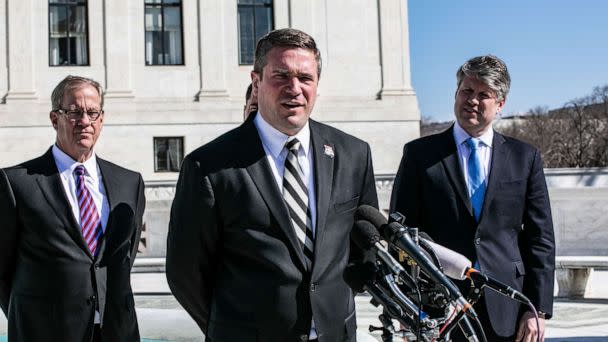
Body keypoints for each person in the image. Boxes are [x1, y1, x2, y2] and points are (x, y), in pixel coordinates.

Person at [167, 28, 378, 342]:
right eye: (281, 75)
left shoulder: (353, 154)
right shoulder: (209, 166)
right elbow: (185, 272)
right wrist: (231, 329)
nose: (294, 88)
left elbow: (366, 245)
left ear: (317, 84)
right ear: (256, 82)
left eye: (305, 78)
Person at [390, 55, 555, 342]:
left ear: (500, 104)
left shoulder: (525, 157)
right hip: (438, 304)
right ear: (455, 94)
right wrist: (407, 307)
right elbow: (400, 233)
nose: (472, 101)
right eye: (466, 91)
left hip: (508, 307)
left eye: (484, 95)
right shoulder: (419, 155)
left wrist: (536, 310)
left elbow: (540, 239)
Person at [0, 76, 145, 342]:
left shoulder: (130, 182)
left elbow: (123, 258)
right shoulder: (16, 183)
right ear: (55, 119)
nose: (85, 121)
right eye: (75, 112)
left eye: (93, 113)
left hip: (116, 331)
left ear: (102, 119)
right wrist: (32, 316)